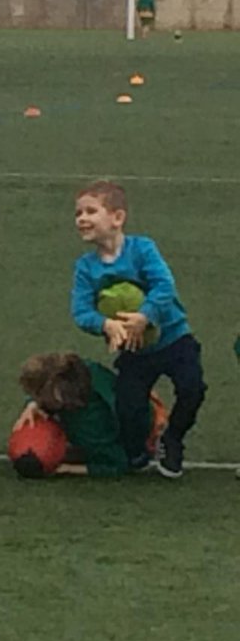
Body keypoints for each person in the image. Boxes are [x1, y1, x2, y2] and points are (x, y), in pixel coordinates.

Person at [71, 180, 205, 479]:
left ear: (117, 218)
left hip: (174, 339)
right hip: (135, 350)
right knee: (128, 406)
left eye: (91, 211)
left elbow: (163, 285)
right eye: (78, 213)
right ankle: (137, 449)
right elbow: (81, 312)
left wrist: (144, 316)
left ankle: (173, 439)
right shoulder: (86, 268)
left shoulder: (142, 249)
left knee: (192, 388)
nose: (82, 219)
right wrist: (106, 324)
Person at [13, 352, 166, 478]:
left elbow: (118, 464)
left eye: (38, 395)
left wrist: (68, 469)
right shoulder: (80, 369)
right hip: (142, 404)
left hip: (146, 429)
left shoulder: (89, 427)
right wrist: (33, 404)